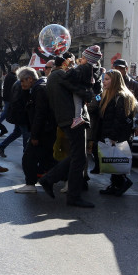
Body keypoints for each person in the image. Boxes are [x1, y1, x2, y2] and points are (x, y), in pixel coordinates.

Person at [38, 53, 95, 208]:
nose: (71, 67)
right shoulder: (61, 76)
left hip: (67, 118)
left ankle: (50, 179)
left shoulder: (55, 76)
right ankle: (72, 195)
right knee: (79, 158)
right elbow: (85, 93)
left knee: (78, 156)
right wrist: (90, 91)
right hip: (73, 119)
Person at [96, 69, 138, 196]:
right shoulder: (108, 94)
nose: (104, 82)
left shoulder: (121, 96)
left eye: (107, 79)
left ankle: (122, 183)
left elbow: (120, 119)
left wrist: (114, 137)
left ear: (115, 81)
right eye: (104, 79)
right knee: (113, 160)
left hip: (118, 135)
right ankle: (115, 184)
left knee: (117, 161)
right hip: (110, 133)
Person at [16, 67, 58, 193]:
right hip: (47, 129)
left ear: (30, 79)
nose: (21, 84)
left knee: (28, 158)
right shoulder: (39, 87)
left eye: (22, 81)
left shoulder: (39, 89)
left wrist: (35, 135)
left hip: (43, 130)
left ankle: (30, 184)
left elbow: (40, 114)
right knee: (48, 158)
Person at [66, 45, 103, 129]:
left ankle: (77, 118)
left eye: (83, 58)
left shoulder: (82, 68)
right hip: (87, 92)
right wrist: (97, 95)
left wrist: (68, 68)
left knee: (77, 101)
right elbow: (98, 87)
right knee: (80, 103)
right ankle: (78, 117)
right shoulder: (96, 70)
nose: (81, 60)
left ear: (88, 60)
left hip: (79, 89)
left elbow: (71, 76)